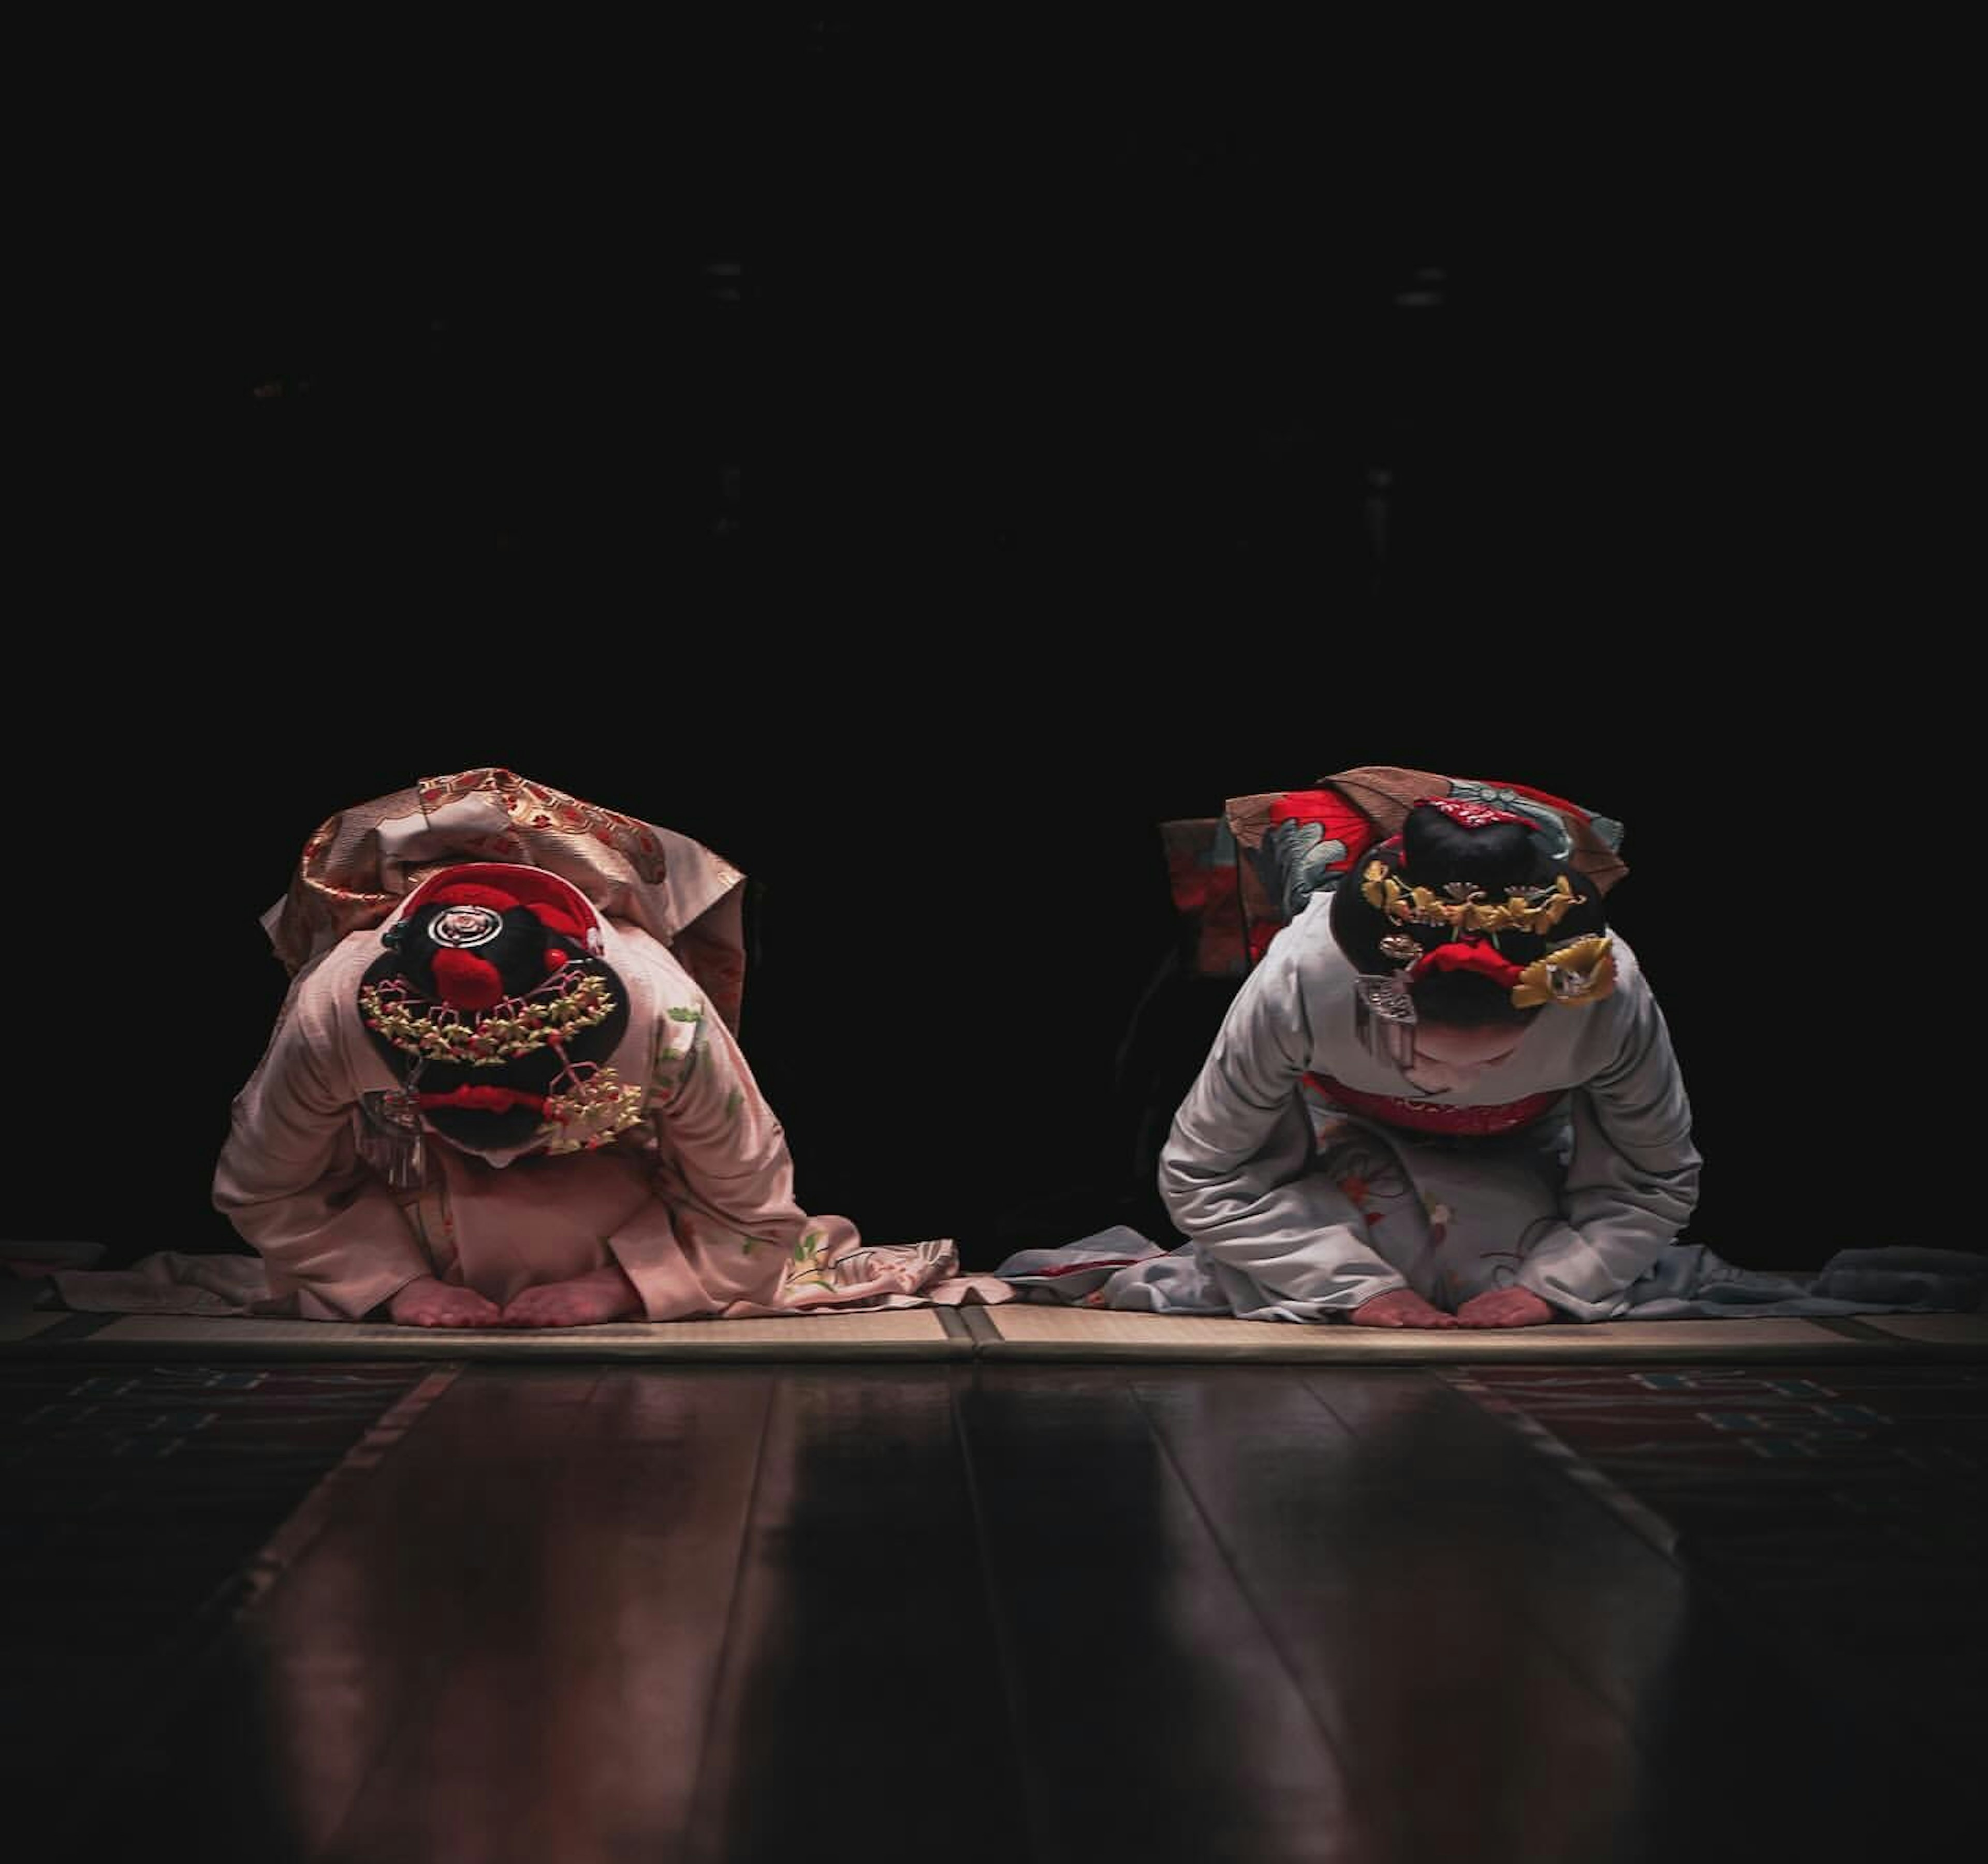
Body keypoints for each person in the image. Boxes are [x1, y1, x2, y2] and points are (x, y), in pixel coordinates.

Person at [1003, 767, 1983, 1323]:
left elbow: (1650, 1181)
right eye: (1424, 1045)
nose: (1446, 1078)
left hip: (1531, 1157)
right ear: (1381, 987)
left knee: (1499, 1269)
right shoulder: (1307, 974)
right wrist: (1355, 1292)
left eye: (1490, 1049)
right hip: (1342, 1146)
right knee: (1353, 1271)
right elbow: (1206, 1175)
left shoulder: (1606, 993)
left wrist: (1551, 1294)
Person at [213, 768, 955, 1327]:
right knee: (460, 1250)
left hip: (607, 1172)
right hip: (404, 1174)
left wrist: (619, 1287)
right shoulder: (334, 1012)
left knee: (553, 1243)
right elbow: (267, 1187)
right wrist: (400, 1287)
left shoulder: (666, 1019)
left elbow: (753, 1212)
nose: (502, 1162)